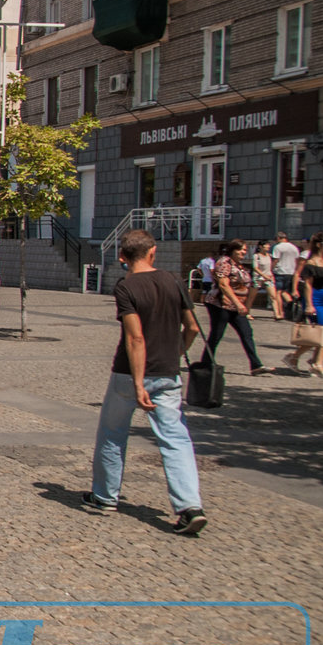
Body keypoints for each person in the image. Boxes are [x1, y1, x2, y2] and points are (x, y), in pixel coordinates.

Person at [84, 229, 207, 535]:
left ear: (123, 257)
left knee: (112, 433)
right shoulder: (174, 280)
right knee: (175, 440)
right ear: (153, 252)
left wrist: (139, 383)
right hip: (168, 372)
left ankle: (105, 496)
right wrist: (176, 351)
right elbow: (191, 326)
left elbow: (135, 336)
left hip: (129, 373)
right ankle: (189, 506)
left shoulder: (126, 286)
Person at [197, 239, 273, 376]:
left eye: (245, 250)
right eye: (241, 250)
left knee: (246, 332)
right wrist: (238, 304)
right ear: (233, 250)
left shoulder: (239, 265)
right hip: (220, 304)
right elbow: (223, 285)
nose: (243, 252)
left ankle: (256, 365)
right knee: (216, 334)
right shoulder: (224, 263)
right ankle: (206, 363)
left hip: (236, 307)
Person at [284, 233, 323, 376]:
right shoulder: (311, 263)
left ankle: (296, 357)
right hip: (316, 300)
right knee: (321, 332)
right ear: (320, 244)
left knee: (321, 333)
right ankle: (317, 363)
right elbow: (308, 285)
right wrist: (309, 305)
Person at [272, 232, 300, 321]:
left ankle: (281, 313)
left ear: (279, 238)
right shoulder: (294, 247)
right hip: (291, 272)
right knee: (285, 291)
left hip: (280, 271)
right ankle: (290, 302)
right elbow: (297, 260)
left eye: (276, 239)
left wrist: (271, 268)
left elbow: (276, 259)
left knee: (278, 293)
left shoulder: (278, 247)